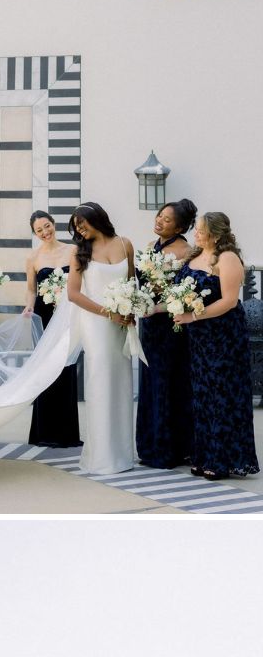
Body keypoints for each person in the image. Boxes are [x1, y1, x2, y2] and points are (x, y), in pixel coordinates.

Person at [173, 212, 259, 480]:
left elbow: (229, 301)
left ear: (216, 234)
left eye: (201, 230)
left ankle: (222, 460)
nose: (196, 234)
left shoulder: (227, 258)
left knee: (222, 395)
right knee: (202, 396)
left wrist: (191, 317)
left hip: (224, 337)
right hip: (199, 338)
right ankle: (203, 456)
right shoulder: (194, 255)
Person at [66, 202, 136, 475]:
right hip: (96, 324)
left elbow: (131, 284)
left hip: (121, 324)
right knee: (100, 382)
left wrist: (131, 310)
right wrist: (109, 313)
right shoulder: (79, 253)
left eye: (82, 223)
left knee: (121, 383)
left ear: (97, 218)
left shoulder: (125, 244)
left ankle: (122, 454)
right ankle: (101, 456)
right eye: (76, 226)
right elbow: (73, 294)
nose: (79, 229)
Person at [136, 198, 197, 468]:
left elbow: (185, 290)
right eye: (160, 215)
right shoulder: (151, 245)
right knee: (150, 380)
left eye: (167, 219)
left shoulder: (187, 252)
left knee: (170, 382)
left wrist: (159, 303)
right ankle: (149, 445)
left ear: (179, 227)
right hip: (149, 324)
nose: (159, 220)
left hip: (172, 326)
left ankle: (170, 449)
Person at [24, 209, 80, 447]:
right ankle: (44, 433)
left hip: (68, 315)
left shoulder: (72, 250)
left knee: (66, 368)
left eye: (47, 226)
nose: (45, 232)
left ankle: (67, 434)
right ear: (35, 234)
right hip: (44, 315)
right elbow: (31, 289)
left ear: (53, 224)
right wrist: (28, 307)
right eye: (39, 230)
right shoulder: (33, 258)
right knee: (46, 368)